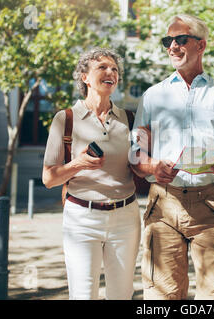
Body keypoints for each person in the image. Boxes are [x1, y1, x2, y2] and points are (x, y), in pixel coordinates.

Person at [130, 14, 214, 300]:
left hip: (210, 204)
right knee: (162, 295)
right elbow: (137, 154)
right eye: (167, 41)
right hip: (163, 203)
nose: (172, 46)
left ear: (201, 45)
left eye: (180, 39)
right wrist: (151, 166)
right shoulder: (153, 96)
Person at [42, 48, 141, 300]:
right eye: (103, 68)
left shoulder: (129, 119)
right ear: (84, 77)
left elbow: (141, 164)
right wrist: (78, 164)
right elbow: (49, 178)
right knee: (83, 295)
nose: (111, 73)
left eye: (115, 69)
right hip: (82, 219)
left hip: (126, 219)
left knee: (122, 295)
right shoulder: (65, 119)